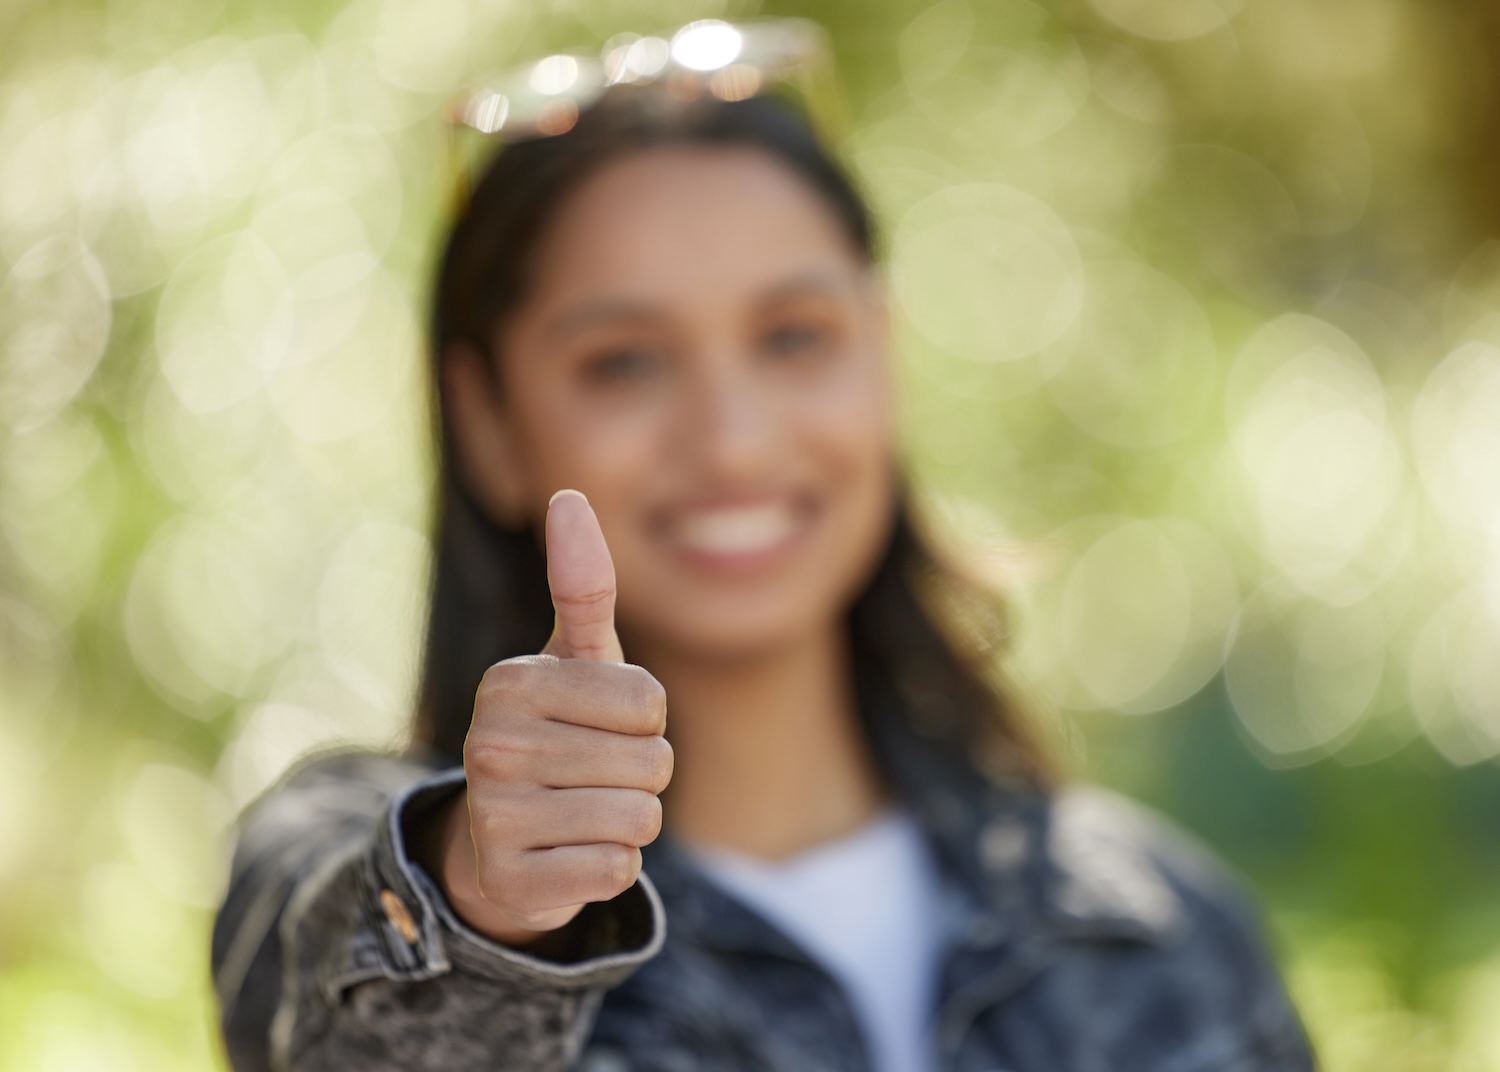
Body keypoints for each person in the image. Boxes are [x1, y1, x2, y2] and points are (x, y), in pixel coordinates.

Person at [211, 26, 1315, 1072]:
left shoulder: (1168, 929)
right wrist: (479, 896)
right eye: (625, 362)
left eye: (795, 338)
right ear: (487, 417)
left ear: (883, 356)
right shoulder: (346, 867)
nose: (733, 440)